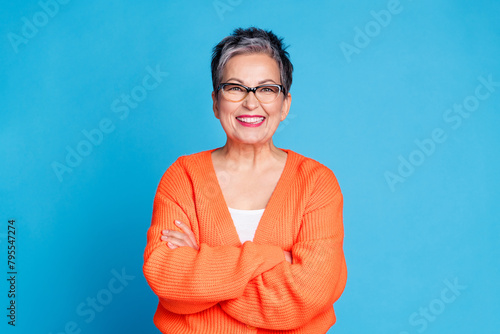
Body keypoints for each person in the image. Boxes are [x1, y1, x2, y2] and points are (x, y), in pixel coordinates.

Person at [143, 27, 347, 334]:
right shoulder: (183, 177)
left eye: (266, 89)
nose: (251, 103)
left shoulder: (316, 183)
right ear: (215, 102)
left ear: (285, 104)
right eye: (235, 88)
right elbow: (167, 278)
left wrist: (204, 267)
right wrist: (273, 256)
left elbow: (308, 295)